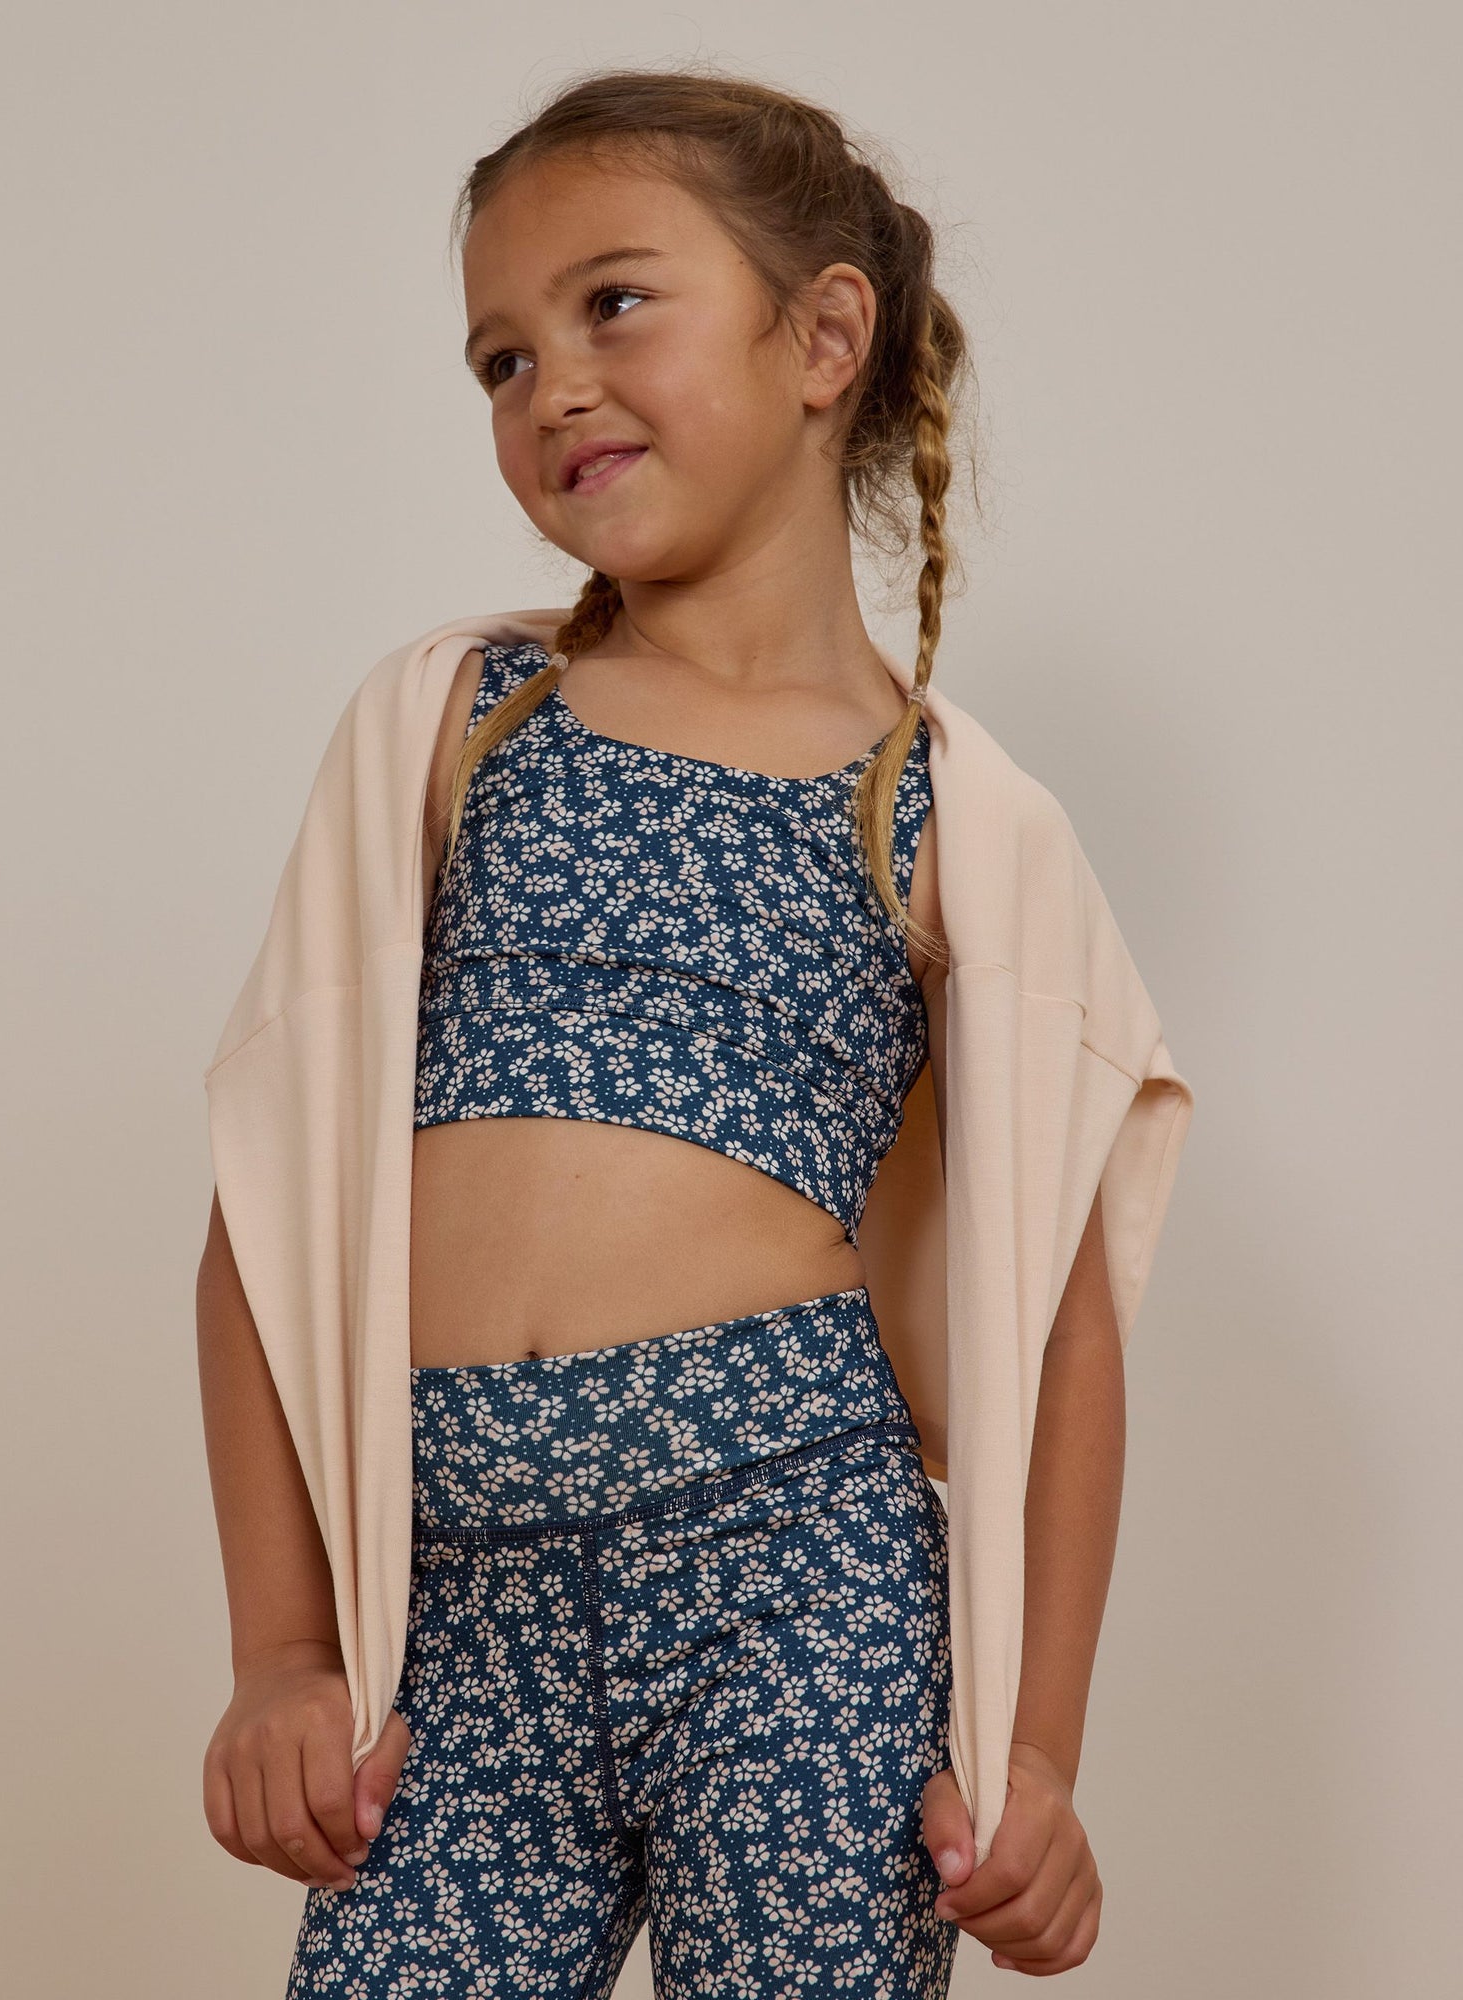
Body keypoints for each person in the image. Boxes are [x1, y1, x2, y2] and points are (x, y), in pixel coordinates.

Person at [196, 65, 1158, 1997]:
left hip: (794, 1564)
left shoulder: (947, 815)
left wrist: (1038, 1754)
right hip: (450, 1599)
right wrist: (286, 1648)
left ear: (823, 338)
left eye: (613, 304)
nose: (549, 386)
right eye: (500, 357)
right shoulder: (460, 726)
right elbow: (267, 1201)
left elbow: (1061, 1320)